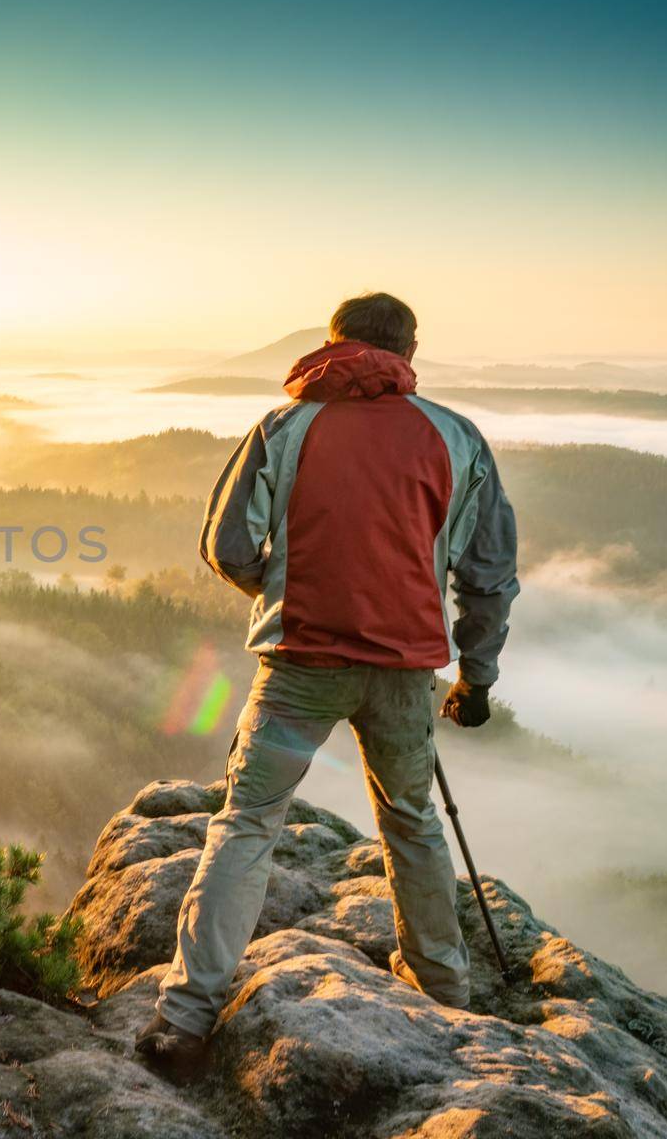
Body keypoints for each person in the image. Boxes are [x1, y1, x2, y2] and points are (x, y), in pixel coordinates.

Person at [135, 292, 520, 1083]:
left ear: (333, 346)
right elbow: (487, 575)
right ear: (409, 350)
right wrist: (475, 679)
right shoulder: (456, 438)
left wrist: (279, 591)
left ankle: (184, 1019)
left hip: (298, 668)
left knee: (246, 825)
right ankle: (443, 988)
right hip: (407, 675)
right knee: (412, 821)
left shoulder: (286, 426)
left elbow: (227, 541)